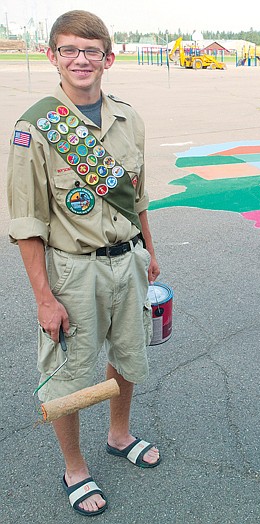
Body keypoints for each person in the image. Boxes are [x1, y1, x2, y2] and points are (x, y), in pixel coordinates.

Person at [7, 10, 161, 517]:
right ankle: (74, 467)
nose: (81, 59)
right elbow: (27, 223)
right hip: (74, 270)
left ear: (108, 58)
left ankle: (119, 435)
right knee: (69, 374)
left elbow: (137, 198)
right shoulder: (36, 128)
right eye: (69, 49)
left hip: (129, 259)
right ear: (52, 55)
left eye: (91, 50)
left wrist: (150, 252)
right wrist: (44, 299)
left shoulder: (129, 120)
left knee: (128, 353)